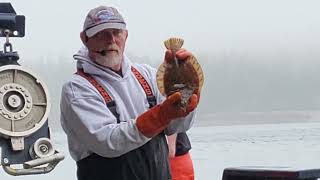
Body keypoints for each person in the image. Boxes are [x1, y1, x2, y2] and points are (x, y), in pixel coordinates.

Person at [60, 5, 201, 180]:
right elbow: (107, 142)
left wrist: (188, 100)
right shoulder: (77, 88)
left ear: (126, 35)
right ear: (85, 39)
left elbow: (176, 126)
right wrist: (161, 115)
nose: (111, 40)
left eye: (116, 32)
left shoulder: (147, 75)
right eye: (101, 33)